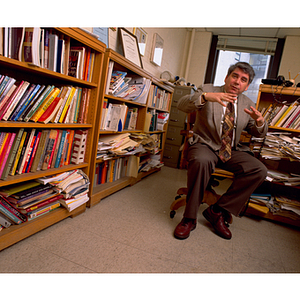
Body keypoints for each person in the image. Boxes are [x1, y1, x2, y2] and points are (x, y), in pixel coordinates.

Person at [174, 62, 268, 240]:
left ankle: (217, 210)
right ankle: (189, 218)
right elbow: (182, 105)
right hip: (205, 144)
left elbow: (258, 133)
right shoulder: (208, 89)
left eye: (243, 80)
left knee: (259, 170)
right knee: (201, 160)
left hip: (231, 150)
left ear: (247, 86)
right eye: (235, 76)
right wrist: (205, 97)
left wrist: (260, 121)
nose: (237, 82)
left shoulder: (247, 103)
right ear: (227, 77)